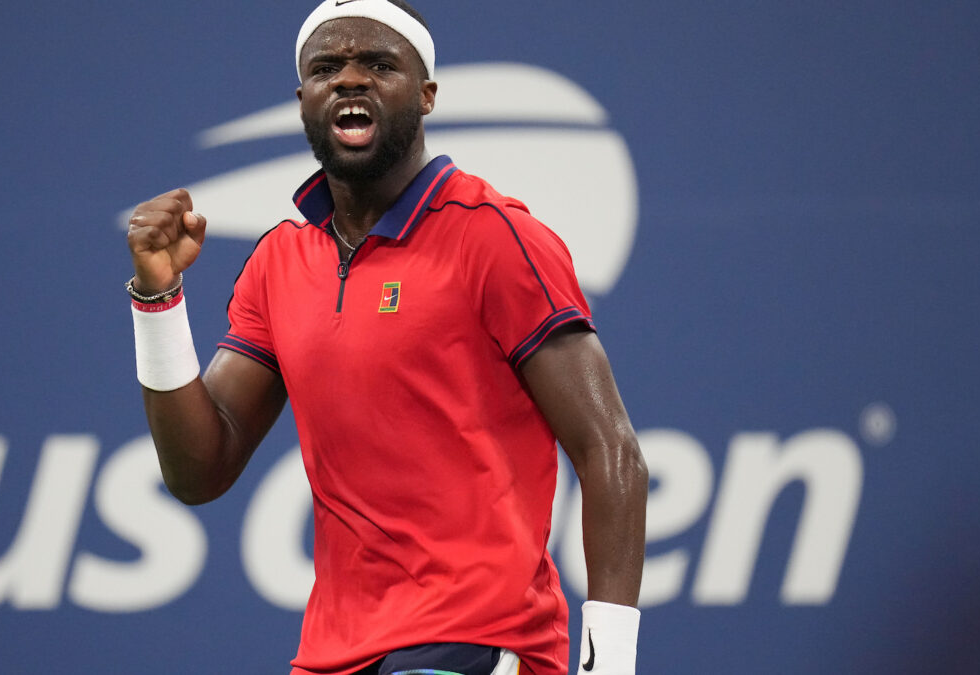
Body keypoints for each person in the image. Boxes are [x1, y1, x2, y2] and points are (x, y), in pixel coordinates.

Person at [124, 1, 647, 673]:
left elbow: (613, 453)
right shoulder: (279, 262)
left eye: (378, 64)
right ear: (303, 98)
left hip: (475, 641)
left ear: (426, 95)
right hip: (331, 656)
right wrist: (158, 301)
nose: (349, 80)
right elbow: (198, 469)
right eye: (327, 68)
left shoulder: (494, 237)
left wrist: (611, 665)